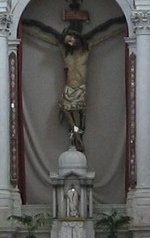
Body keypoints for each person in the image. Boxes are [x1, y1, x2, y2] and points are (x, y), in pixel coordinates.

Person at [21, 16, 125, 152]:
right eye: (67, 42)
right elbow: (45, 38)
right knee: (67, 112)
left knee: (80, 117)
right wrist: (27, 32)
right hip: (69, 89)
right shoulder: (65, 53)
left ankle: (78, 136)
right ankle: (76, 135)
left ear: (76, 38)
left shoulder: (86, 50)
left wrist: (120, 30)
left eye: (71, 40)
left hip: (80, 88)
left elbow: (104, 36)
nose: (70, 43)